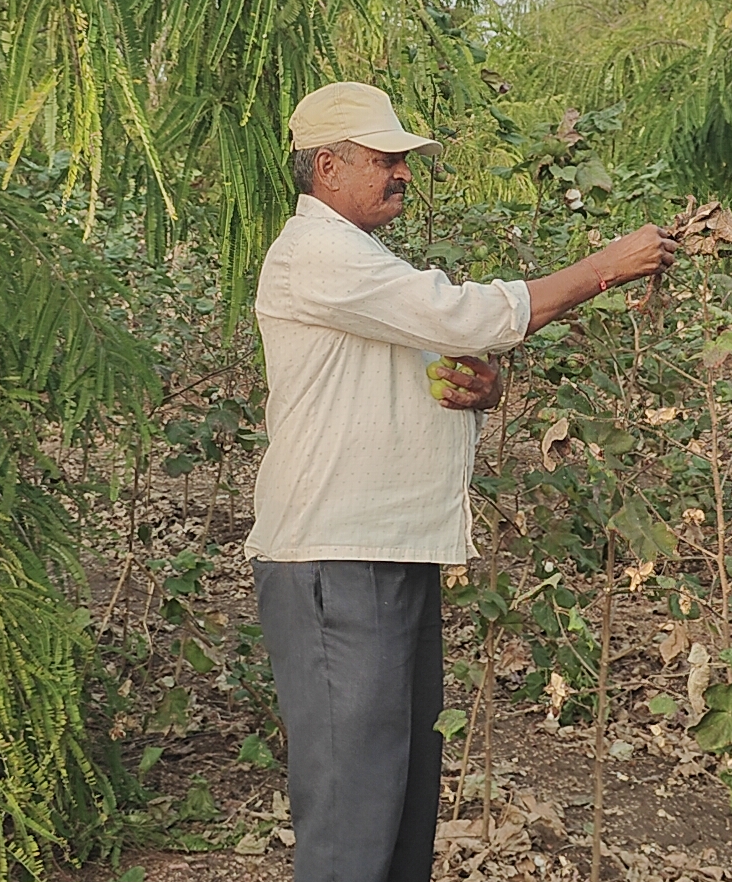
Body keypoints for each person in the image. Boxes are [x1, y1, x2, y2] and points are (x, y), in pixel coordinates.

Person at [248, 81, 676, 882]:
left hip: (387, 550)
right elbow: (468, 317)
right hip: (334, 561)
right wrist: (604, 268)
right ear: (329, 166)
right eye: (388, 159)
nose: (404, 173)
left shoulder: (367, 261)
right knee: (352, 816)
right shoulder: (316, 253)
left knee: (400, 804)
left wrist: (485, 393)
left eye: (406, 160)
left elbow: (433, 373)